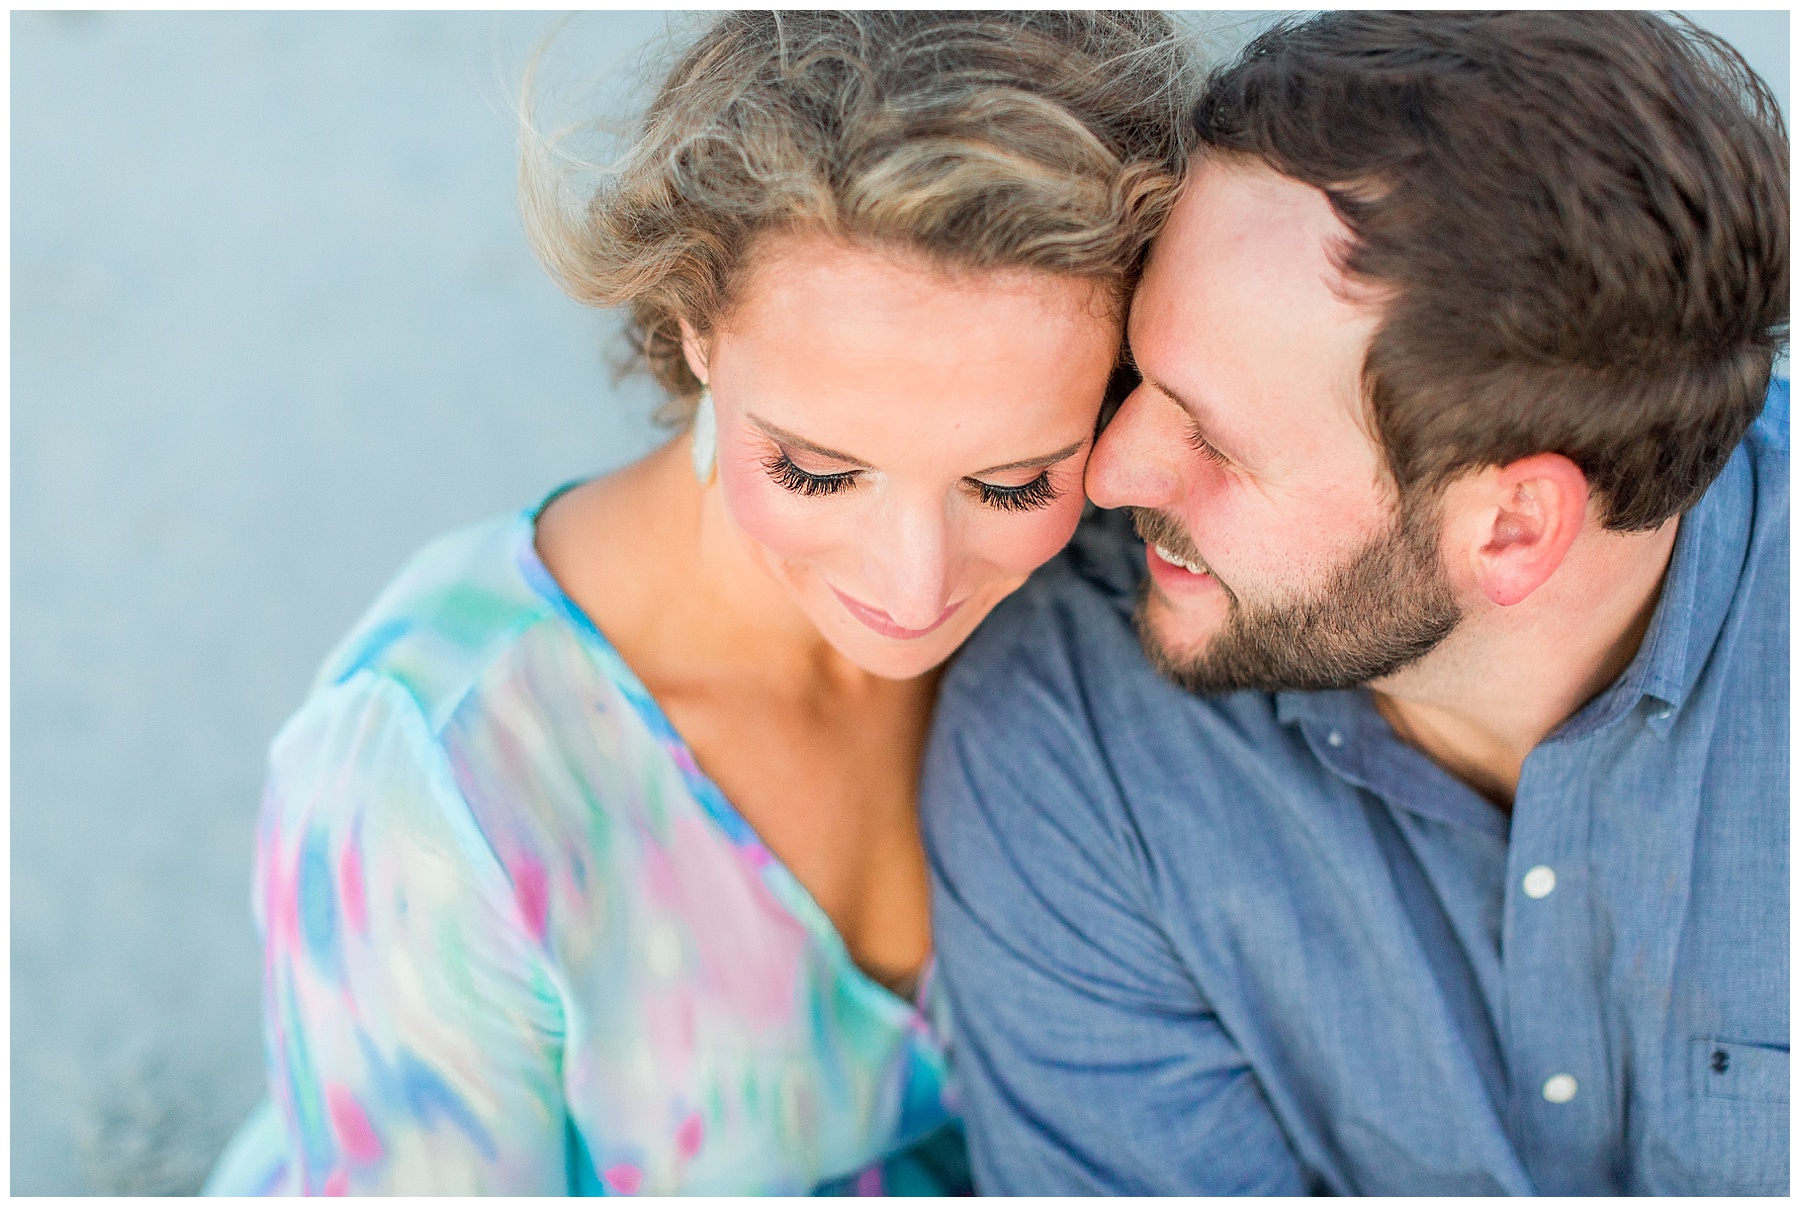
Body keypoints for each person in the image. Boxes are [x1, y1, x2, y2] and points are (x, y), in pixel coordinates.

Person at [202, 11, 1194, 1195]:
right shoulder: (436, 783)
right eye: (820, 470)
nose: (913, 584)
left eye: (1013, 480)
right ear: (694, 327)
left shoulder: (1127, 581)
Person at [923, 10, 1788, 1196]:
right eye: (1141, 377)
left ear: (1511, 528)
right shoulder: (1077, 732)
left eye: (1214, 440)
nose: (1111, 475)